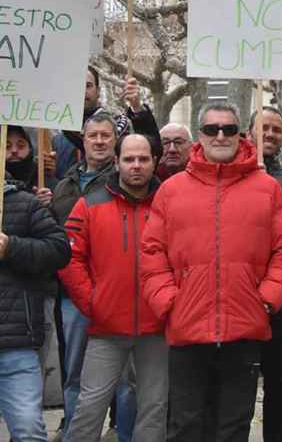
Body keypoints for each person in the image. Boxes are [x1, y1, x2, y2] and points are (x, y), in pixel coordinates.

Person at [140, 101, 282, 442]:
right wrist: (169, 302)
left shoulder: (267, 188)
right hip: (188, 326)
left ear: (239, 134)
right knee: (185, 426)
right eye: (212, 129)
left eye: (228, 129)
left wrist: (266, 299)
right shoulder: (171, 190)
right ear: (200, 135)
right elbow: (152, 254)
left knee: (233, 427)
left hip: (244, 328)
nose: (220, 135)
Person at [59, 134, 168, 442]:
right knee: (89, 406)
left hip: (157, 327)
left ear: (154, 162)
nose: (136, 165)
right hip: (106, 327)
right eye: (129, 159)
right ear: (117, 162)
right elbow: (69, 258)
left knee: (154, 408)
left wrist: (169, 303)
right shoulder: (89, 204)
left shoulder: (168, 204)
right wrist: (93, 303)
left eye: (143, 159)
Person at [51, 112, 137, 442]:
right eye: (93, 136)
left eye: (105, 135)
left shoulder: (127, 180)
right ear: (83, 141)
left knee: (125, 380)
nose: (99, 141)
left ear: (116, 142)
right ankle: (76, 433)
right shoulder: (63, 185)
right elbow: (58, 239)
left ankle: (124, 434)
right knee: (74, 373)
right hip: (72, 295)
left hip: (116, 297)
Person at [247, 107, 282, 442]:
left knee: (280, 383)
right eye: (263, 128)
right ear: (248, 131)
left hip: (281, 301)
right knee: (238, 384)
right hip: (240, 297)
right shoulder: (230, 176)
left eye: (276, 130)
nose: (269, 134)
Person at [0, 169, 71, 442]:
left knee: (29, 430)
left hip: (15, 344)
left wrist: (11, 247)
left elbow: (59, 250)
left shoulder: (24, 203)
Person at [53, 69, 159, 180]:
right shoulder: (57, 136)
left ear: (98, 91)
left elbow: (151, 150)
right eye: (76, 87)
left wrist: (137, 107)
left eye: (88, 86)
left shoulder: (119, 122)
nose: (82, 91)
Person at [6, 125, 56, 205]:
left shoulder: (45, 182)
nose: (14, 150)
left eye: (20, 146)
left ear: (30, 149)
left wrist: (49, 204)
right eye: (7, 146)